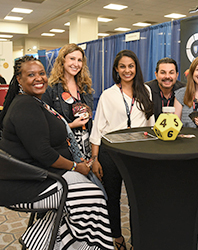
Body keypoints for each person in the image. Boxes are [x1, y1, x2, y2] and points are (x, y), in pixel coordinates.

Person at [0, 55, 114, 250]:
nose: (39, 78)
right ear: (19, 79)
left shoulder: (33, 102)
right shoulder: (25, 105)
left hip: (41, 175)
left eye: (41, 73)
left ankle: (42, 241)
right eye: (31, 75)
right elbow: (43, 153)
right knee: (93, 197)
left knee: (83, 199)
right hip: (29, 184)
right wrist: (75, 166)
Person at [90, 50, 155, 250]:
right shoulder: (108, 95)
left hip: (138, 154)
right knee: (112, 197)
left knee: (137, 199)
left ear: (136, 68)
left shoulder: (146, 91)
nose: (127, 70)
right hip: (111, 153)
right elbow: (98, 128)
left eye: (131, 66)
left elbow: (150, 125)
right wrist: (95, 158)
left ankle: (138, 240)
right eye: (122, 66)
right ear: (116, 70)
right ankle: (117, 238)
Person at [42, 43, 93, 160]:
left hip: (86, 146)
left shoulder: (85, 87)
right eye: (72, 59)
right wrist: (71, 125)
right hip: (64, 148)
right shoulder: (51, 89)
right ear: (62, 61)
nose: (76, 64)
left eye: (79, 60)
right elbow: (46, 125)